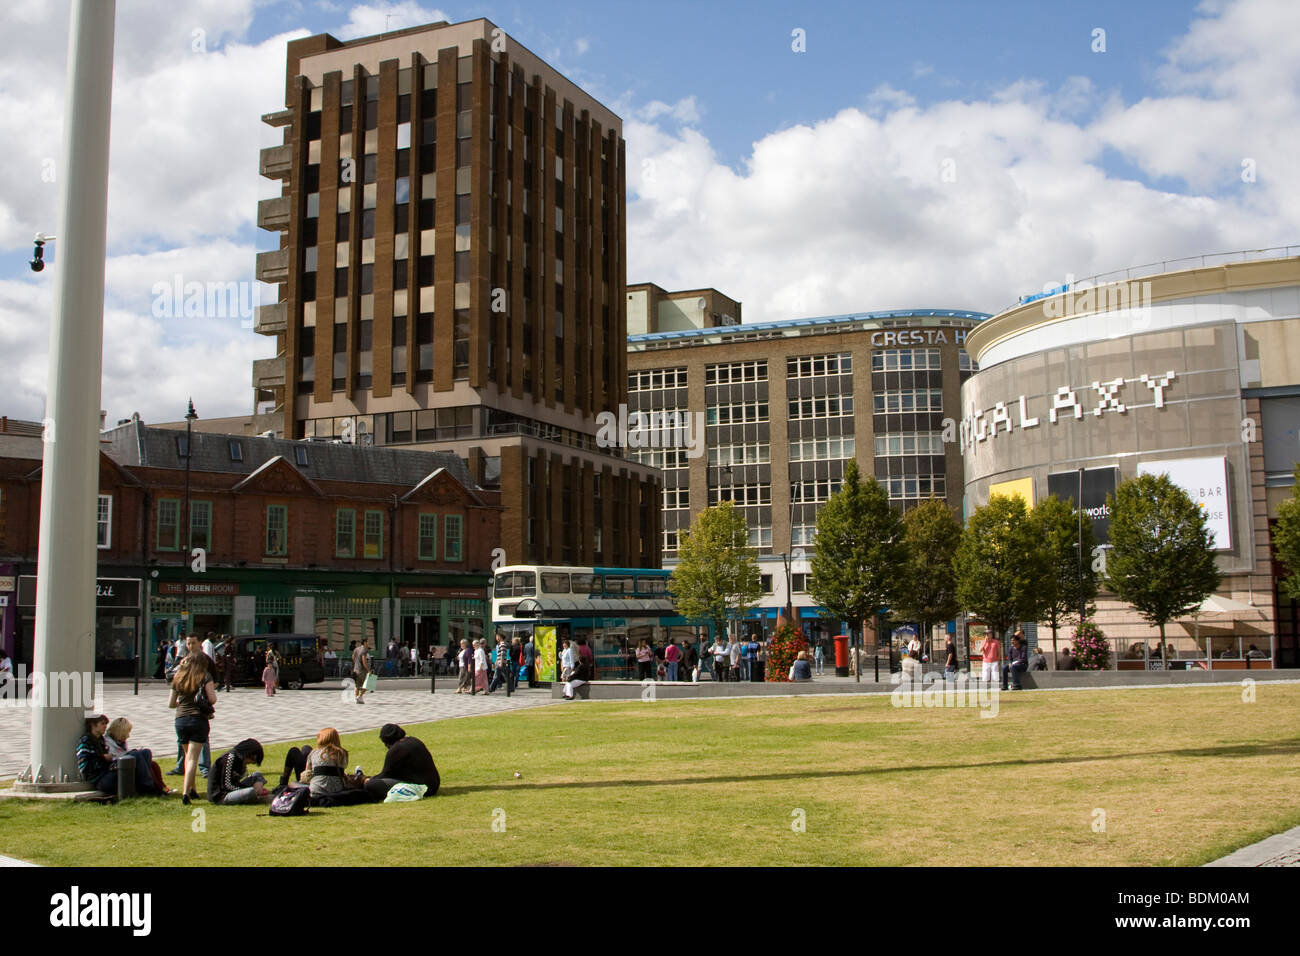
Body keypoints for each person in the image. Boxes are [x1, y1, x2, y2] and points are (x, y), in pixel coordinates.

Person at [168, 650, 217, 804]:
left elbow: (170, 704)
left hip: (180, 720)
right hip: (198, 720)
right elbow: (212, 699)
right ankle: (185, 793)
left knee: (187, 756)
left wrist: (183, 703)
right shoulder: (205, 676)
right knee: (193, 758)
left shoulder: (178, 677)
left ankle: (193, 789)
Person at [76, 715, 161, 797]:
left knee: (145, 752)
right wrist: (103, 758)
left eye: (106, 724)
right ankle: (149, 789)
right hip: (101, 780)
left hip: (109, 772)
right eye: (102, 724)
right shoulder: (86, 741)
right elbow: (84, 767)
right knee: (134, 755)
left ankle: (151, 787)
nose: (105, 726)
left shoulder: (101, 740)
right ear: (92, 725)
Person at [291, 728, 376, 806]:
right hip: (337, 790)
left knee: (293, 784)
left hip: (316, 791)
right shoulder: (343, 753)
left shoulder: (314, 753)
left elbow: (307, 774)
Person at [167, 635, 212, 779]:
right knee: (187, 748)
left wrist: (204, 694)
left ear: (199, 643)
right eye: (189, 643)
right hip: (189, 713)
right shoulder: (184, 662)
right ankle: (182, 770)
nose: (191, 646)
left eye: (194, 643)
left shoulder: (205, 661)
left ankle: (204, 769)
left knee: (198, 744)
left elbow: (215, 681)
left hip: (194, 712)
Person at [364, 724, 440, 801]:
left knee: (371, 785)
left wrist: (368, 780)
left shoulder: (396, 750)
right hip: (434, 784)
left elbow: (385, 774)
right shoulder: (414, 740)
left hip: (422, 789)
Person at [105, 717, 172, 794]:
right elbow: (114, 757)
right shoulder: (107, 742)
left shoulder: (120, 741)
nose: (128, 736)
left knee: (147, 754)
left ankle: (160, 787)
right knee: (137, 754)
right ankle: (150, 786)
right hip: (117, 766)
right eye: (126, 734)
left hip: (125, 762)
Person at [208, 739, 271, 805]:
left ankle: (258, 793)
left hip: (232, 789)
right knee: (250, 791)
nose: (250, 763)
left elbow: (236, 782)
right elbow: (227, 786)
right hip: (222, 796)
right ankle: (258, 797)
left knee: (257, 775)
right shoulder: (229, 758)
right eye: (252, 759)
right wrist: (246, 789)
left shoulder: (239, 760)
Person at [563, 635, 594, 700]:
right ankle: (566, 694)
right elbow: (590, 655)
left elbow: (576, 673)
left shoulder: (577, 648)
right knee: (569, 682)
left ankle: (569, 695)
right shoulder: (587, 648)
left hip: (581, 678)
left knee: (569, 682)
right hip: (584, 673)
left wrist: (570, 677)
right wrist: (591, 661)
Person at [352, 637, 373, 704]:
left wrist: (356, 664)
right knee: (369, 684)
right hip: (362, 670)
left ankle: (357, 699)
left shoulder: (356, 649)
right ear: (364, 642)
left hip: (356, 669)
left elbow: (353, 657)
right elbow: (364, 661)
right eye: (367, 641)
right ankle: (360, 696)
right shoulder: (364, 650)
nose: (368, 643)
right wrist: (368, 670)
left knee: (357, 686)